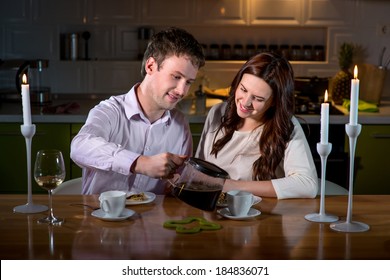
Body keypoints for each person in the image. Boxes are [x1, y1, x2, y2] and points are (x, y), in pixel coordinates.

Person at [71, 27, 205, 195]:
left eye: (188, 82)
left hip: (153, 220)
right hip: (99, 217)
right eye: (176, 77)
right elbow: (80, 146)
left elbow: (177, 186)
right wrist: (140, 163)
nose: (182, 91)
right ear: (150, 66)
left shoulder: (180, 125)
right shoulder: (110, 111)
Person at [195, 52, 318, 199]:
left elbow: (307, 185)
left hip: (260, 215)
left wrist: (231, 185)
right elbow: (198, 173)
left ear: (274, 102)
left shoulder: (286, 125)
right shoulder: (217, 112)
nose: (245, 102)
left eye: (258, 98)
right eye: (243, 89)